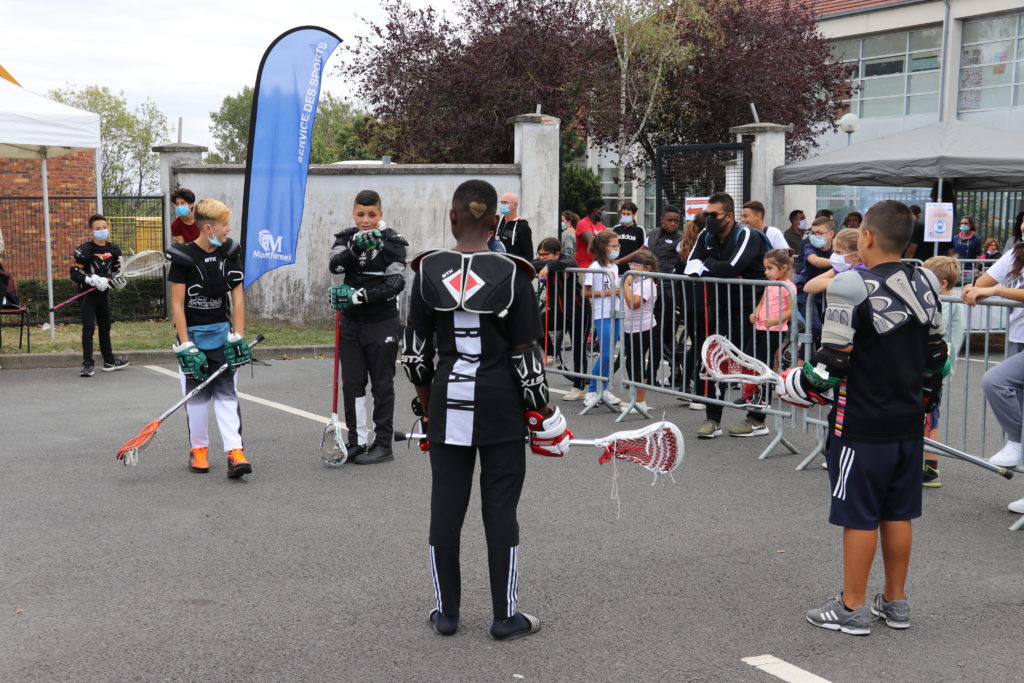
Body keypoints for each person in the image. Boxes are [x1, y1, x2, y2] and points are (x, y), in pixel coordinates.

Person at [401, 178, 570, 640]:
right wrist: (541, 412)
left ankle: (447, 614)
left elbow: (415, 353)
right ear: (497, 221)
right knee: (500, 512)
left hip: (446, 405)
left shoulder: (427, 270)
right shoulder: (515, 272)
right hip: (500, 407)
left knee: (446, 509)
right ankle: (505, 616)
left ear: (452, 218)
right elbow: (525, 354)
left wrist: (425, 402)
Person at [778, 200, 946, 636]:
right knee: (898, 513)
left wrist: (797, 383)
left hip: (861, 426)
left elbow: (832, 363)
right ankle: (896, 602)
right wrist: (924, 405)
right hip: (908, 425)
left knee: (860, 515)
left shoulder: (851, 285)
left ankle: (851, 607)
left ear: (866, 237)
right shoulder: (927, 278)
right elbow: (938, 358)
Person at [165, 199, 252, 478]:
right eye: (224, 224)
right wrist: (186, 344)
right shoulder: (183, 257)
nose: (229, 228)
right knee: (198, 400)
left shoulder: (231, 253)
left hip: (222, 336)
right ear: (207, 227)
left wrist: (237, 337)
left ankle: (235, 452)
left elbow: (237, 298)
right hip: (194, 339)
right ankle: (199, 450)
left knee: (227, 396)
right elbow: (177, 304)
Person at [328, 190, 408, 465]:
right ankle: (357, 441)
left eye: (371, 215)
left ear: (380, 214)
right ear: (354, 213)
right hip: (351, 323)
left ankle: (383, 444)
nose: (365, 220)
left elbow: (396, 283)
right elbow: (336, 267)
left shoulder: (393, 242)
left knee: (382, 385)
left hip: (382, 322)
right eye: (360, 214)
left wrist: (361, 296)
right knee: (352, 383)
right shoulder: (345, 238)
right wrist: (356, 249)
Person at [682, 192, 769, 438]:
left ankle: (756, 418)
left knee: (752, 362)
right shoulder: (706, 234)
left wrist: (710, 264)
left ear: (729, 216)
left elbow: (732, 267)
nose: (709, 219)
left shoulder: (746, 235)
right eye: (706, 214)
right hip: (720, 306)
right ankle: (712, 419)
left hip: (751, 308)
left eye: (714, 215)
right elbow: (691, 266)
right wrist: (719, 268)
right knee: (714, 360)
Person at [963, 240, 1024, 475]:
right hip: (1017, 338)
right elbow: (980, 284)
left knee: (995, 380)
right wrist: (974, 289)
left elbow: (992, 288)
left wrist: (997, 290)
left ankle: (1015, 442)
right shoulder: (1015, 255)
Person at [920, 256, 965, 489]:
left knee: (930, 418)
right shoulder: (936, 300)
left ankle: (930, 467)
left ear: (943, 284)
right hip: (928, 366)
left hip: (936, 370)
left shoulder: (946, 303)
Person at [70, 214, 130, 377]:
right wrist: (92, 279)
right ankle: (88, 365)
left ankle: (109, 361)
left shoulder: (114, 249)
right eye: (98, 228)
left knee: (105, 326)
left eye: (104, 227)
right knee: (89, 327)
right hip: (87, 295)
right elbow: (74, 273)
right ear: (91, 231)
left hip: (103, 295)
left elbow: (116, 272)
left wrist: (118, 281)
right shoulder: (84, 250)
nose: (102, 231)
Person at [533, 237, 589, 400]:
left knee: (579, 349)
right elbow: (532, 263)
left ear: (557, 253)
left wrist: (550, 266)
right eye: (540, 254)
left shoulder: (566, 260)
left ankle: (579, 388)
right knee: (537, 321)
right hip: (559, 312)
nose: (541, 257)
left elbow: (571, 263)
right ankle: (551, 354)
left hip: (579, 311)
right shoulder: (543, 263)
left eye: (545, 254)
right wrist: (545, 264)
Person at [742, 249, 794, 408]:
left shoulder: (788, 287)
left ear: (783, 268)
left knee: (765, 362)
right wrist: (755, 313)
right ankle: (750, 395)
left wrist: (776, 321)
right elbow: (762, 302)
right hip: (760, 327)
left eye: (770, 268)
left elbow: (791, 310)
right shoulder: (770, 284)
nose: (766, 272)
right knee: (751, 359)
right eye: (765, 268)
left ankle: (765, 398)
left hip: (774, 330)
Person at [646, 205, 685, 386]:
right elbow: (643, 252)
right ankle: (652, 375)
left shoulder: (680, 239)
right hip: (651, 290)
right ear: (661, 219)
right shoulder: (653, 234)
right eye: (669, 220)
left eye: (676, 221)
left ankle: (677, 372)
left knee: (664, 334)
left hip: (669, 293)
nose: (673, 224)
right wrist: (622, 263)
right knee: (655, 334)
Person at [583, 230, 622, 407]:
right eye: (614, 245)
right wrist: (607, 292)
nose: (617, 248)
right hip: (602, 314)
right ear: (603, 247)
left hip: (615, 312)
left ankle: (604, 389)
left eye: (618, 245)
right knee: (605, 354)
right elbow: (586, 292)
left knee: (610, 354)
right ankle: (591, 390)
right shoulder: (594, 268)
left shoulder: (614, 267)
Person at [620, 250, 659, 415]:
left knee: (637, 365)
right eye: (631, 264)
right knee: (632, 363)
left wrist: (625, 285)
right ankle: (635, 399)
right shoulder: (636, 282)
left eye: (636, 265)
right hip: (630, 327)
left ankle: (641, 402)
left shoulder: (647, 284)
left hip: (643, 328)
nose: (632, 268)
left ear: (647, 269)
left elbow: (633, 303)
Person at [795, 217, 835, 348]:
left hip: (825, 295)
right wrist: (840, 262)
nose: (815, 236)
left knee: (827, 333)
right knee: (815, 328)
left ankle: (817, 361)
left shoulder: (837, 248)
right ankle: (801, 361)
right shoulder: (810, 246)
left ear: (831, 234)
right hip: (805, 293)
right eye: (813, 232)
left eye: (820, 233)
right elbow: (816, 261)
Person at [803, 228, 864, 295]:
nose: (834, 255)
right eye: (833, 251)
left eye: (838, 252)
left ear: (855, 256)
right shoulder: (842, 268)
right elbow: (808, 286)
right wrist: (838, 282)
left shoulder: (864, 271)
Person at [495, 192, 533, 260]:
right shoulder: (498, 222)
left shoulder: (523, 226)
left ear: (515, 205)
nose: (503, 205)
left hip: (514, 266)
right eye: (502, 203)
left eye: (505, 203)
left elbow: (529, 255)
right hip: (497, 264)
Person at [612, 201, 646, 274]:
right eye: (624, 214)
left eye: (628, 214)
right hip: (617, 266)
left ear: (633, 214)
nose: (625, 216)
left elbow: (643, 250)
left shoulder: (640, 230)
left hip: (633, 267)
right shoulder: (616, 229)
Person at [574, 197, 606, 269]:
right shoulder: (583, 223)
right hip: (585, 267)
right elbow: (592, 243)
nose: (605, 212)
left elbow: (609, 243)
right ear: (596, 211)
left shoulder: (602, 226)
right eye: (603, 210)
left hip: (599, 266)